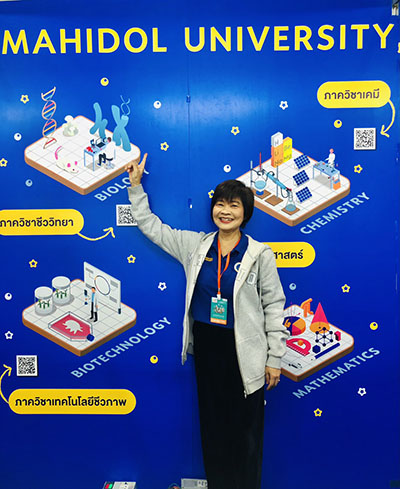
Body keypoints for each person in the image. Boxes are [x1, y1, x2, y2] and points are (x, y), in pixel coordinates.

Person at [125, 154, 289, 489]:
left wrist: (274, 358)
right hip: (208, 346)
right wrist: (136, 186)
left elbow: (274, 306)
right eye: (220, 204)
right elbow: (152, 227)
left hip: (245, 350)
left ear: (245, 213)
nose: (225, 211)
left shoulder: (260, 254)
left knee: (246, 432)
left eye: (234, 206)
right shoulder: (195, 245)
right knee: (213, 429)